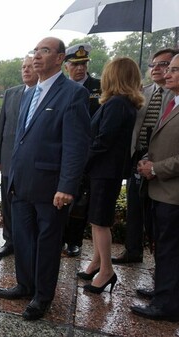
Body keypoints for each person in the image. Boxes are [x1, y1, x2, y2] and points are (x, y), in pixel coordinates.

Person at [0, 37, 90, 321]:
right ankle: (25, 285)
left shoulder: (72, 93)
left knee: (47, 244)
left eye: (44, 51)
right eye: (35, 51)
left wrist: (67, 186)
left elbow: (76, 145)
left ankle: (43, 296)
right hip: (20, 183)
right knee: (22, 239)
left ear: (60, 58)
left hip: (51, 189)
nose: (37, 56)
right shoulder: (28, 93)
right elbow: (21, 141)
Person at [78, 57, 143, 295]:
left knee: (100, 223)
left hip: (105, 171)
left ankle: (106, 271)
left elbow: (103, 141)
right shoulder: (122, 103)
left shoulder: (117, 104)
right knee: (98, 220)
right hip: (106, 171)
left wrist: (82, 164)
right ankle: (96, 263)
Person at [113, 48, 178, 265]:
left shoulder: (174, 96)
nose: (158, 69)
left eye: (165, 65)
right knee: (134, 206)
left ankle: (161, 270)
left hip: (163, 163)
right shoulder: (142, 92)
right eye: (153, 65)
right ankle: (132, 250)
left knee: (157, 217)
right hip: (138, 156)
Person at [131, 54, 179, 322]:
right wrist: (149, 158)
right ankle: (163, 291)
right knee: (163, 246)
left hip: (173, 192)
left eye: (174, 69)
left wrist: (156, 168)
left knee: (170, 249)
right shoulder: (171, 103)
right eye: (165, 68)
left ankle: (167, 305)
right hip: (161, 190)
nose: (166, 73)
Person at [0, 56, 38, 258]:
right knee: (8, 202)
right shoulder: (11, 93)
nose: (26, 70)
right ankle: (9, 240)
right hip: (9, 158)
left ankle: (28, 242)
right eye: (23, 67)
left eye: (29, 67)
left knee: (29, 204)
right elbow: (1, 125)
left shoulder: (44, 94)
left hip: (32, 162)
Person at [62, 43, 102, 257]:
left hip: (90, 154)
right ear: (66, 66)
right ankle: (59, 237)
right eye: (75, 64)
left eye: (83, 64)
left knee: (81, 201)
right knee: (59, 198)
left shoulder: (99, 87)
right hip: (63, 153)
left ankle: (74, 241)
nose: (80, 68)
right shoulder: (60, 88)